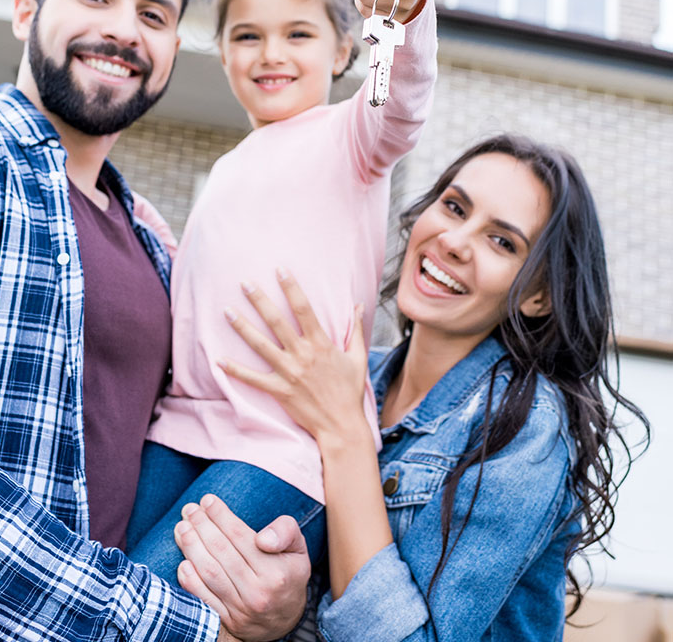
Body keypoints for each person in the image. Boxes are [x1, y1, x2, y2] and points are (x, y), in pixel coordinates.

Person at [0, 0, 309, 642]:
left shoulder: (157, 249)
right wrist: (170, 627)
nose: (123, 30)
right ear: (26, 13)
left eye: (154, 15)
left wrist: (277, 602)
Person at [178, 134, 649, 640]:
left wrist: (345, 433)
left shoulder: (525, 430)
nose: (453, 240)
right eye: (453, 207)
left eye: (502, 241)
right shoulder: (357, 377)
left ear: (538, 297)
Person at [125, 0, 438, 585]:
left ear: (342, 49)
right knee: (109, 578)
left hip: (280, 447)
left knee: (144, 602)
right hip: (183, 427)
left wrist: (398, 15)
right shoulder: (232, 167)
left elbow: (398, 99)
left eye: (298, 33)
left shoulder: (350, 138)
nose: (271, 52)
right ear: (223, 54)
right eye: (247, 36)